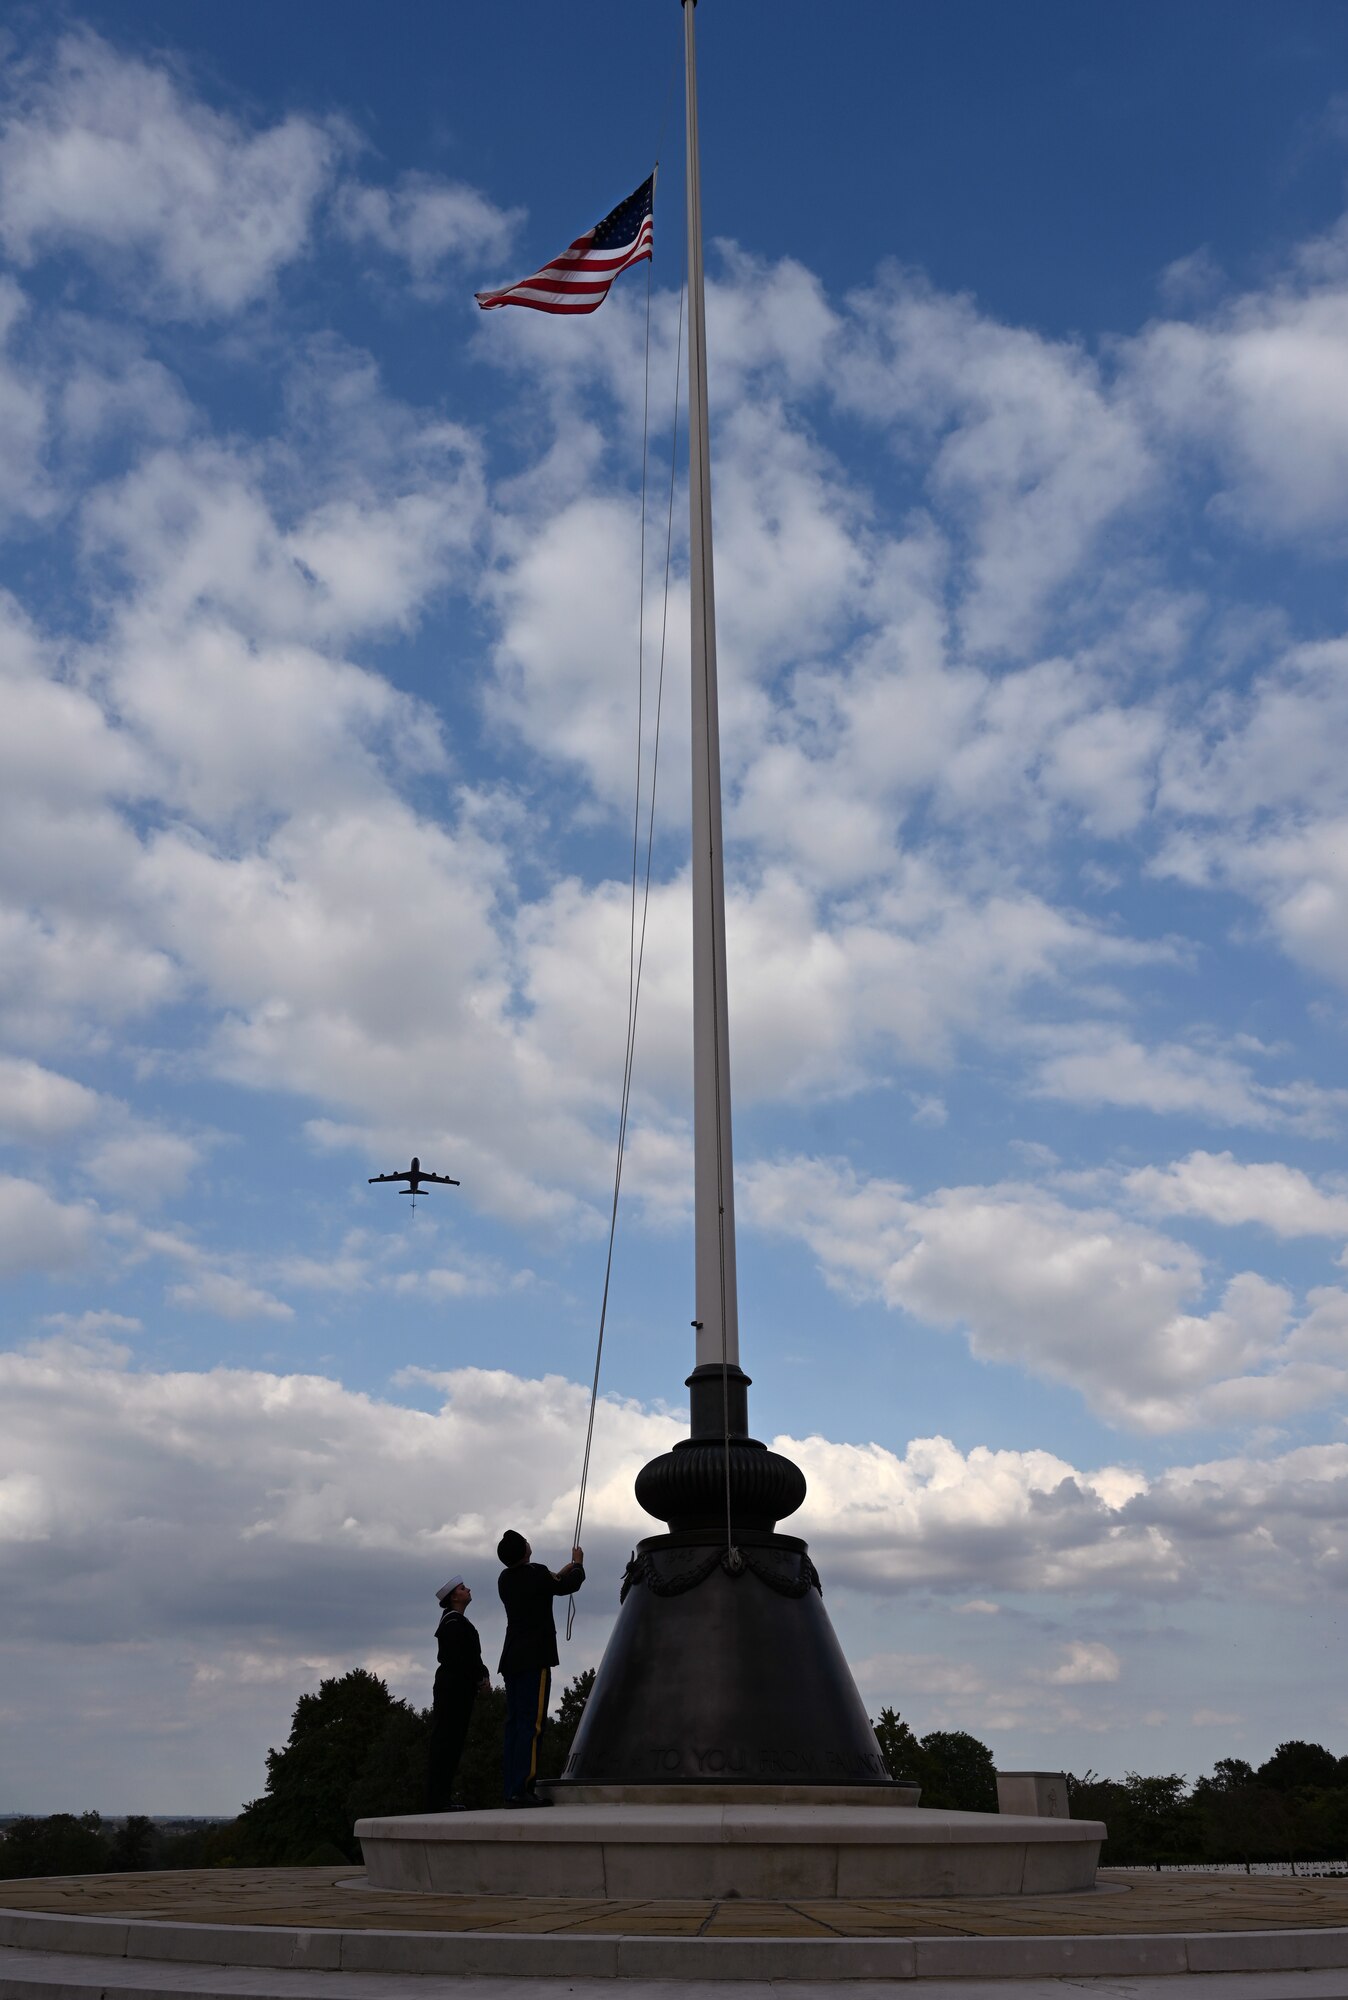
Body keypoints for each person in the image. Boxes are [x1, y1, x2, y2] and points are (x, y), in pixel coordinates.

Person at [496, 1529, 584, 1807]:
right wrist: (578, 1564)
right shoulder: (537, 1573)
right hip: (535, 1656)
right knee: (532, 1725)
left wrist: (562, 1571)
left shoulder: (506, 1578)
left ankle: (512, 1787)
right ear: (525, 1551)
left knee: (514, 1724)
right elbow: (567, 1585)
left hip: (512, 1657)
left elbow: (548, 1583)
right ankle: (524, 1787)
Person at [426, 1575, 489, 1811]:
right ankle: (437, 1799)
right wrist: (479, 1677)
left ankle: (440, 1798)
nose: (468, 1589)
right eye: (463, 1588)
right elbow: (462, 1658)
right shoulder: (454, 1624)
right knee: (446, 1743)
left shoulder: (453, 1623)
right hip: (454, 1690)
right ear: (454, 1596)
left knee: (450, 1743)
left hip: (455, 1688)